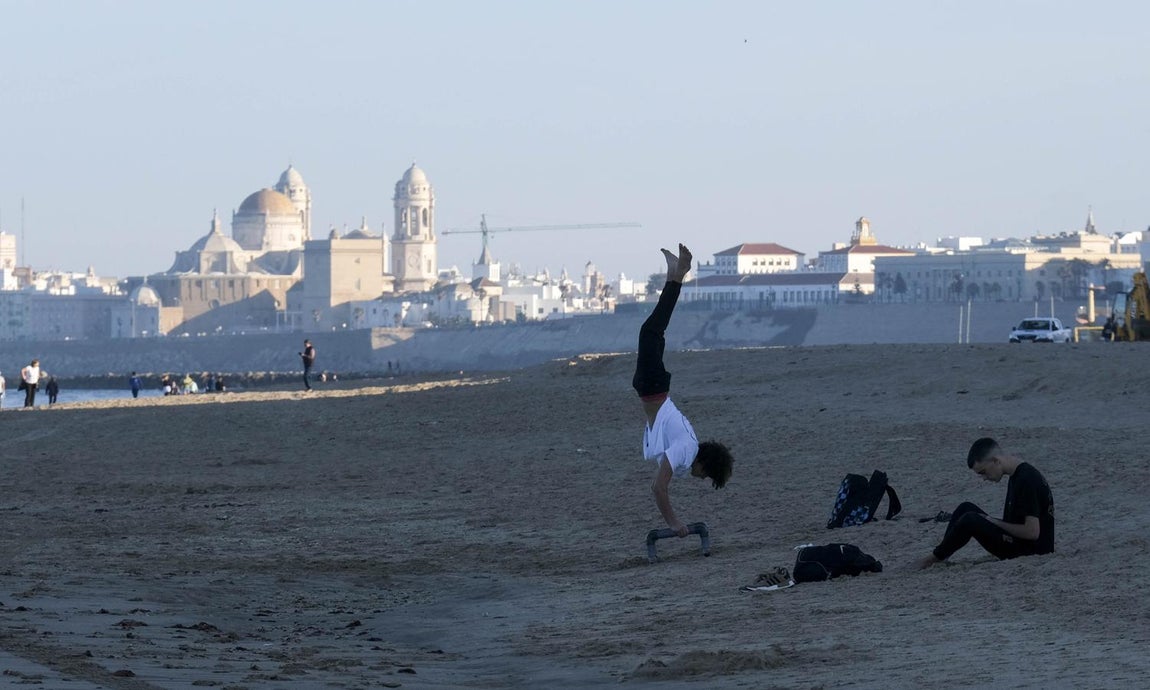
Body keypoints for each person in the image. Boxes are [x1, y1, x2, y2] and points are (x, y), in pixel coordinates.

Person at [634, 244, 733, 537]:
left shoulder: (688, 447)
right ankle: (678, 274)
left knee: (653, 331)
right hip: (652, 386)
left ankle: (674, 275)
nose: (700, 478)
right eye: (705, 476)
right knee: (651, 331)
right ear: (704, 465)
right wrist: (674, 524)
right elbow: (658, 487)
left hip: (653, 388)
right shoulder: (686, 450)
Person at [919, 437, 1054, 568]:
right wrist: (991, 521)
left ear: (995, 461)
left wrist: (993, 521)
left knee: (970, 519)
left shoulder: (1026, 479)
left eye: (983, 472)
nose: (984, 478)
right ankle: (943, 554)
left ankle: (934, 558)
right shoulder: (1016, 475)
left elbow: (1032, 532)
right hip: (1018, 541)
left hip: (1032, 550)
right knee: (965, 508)